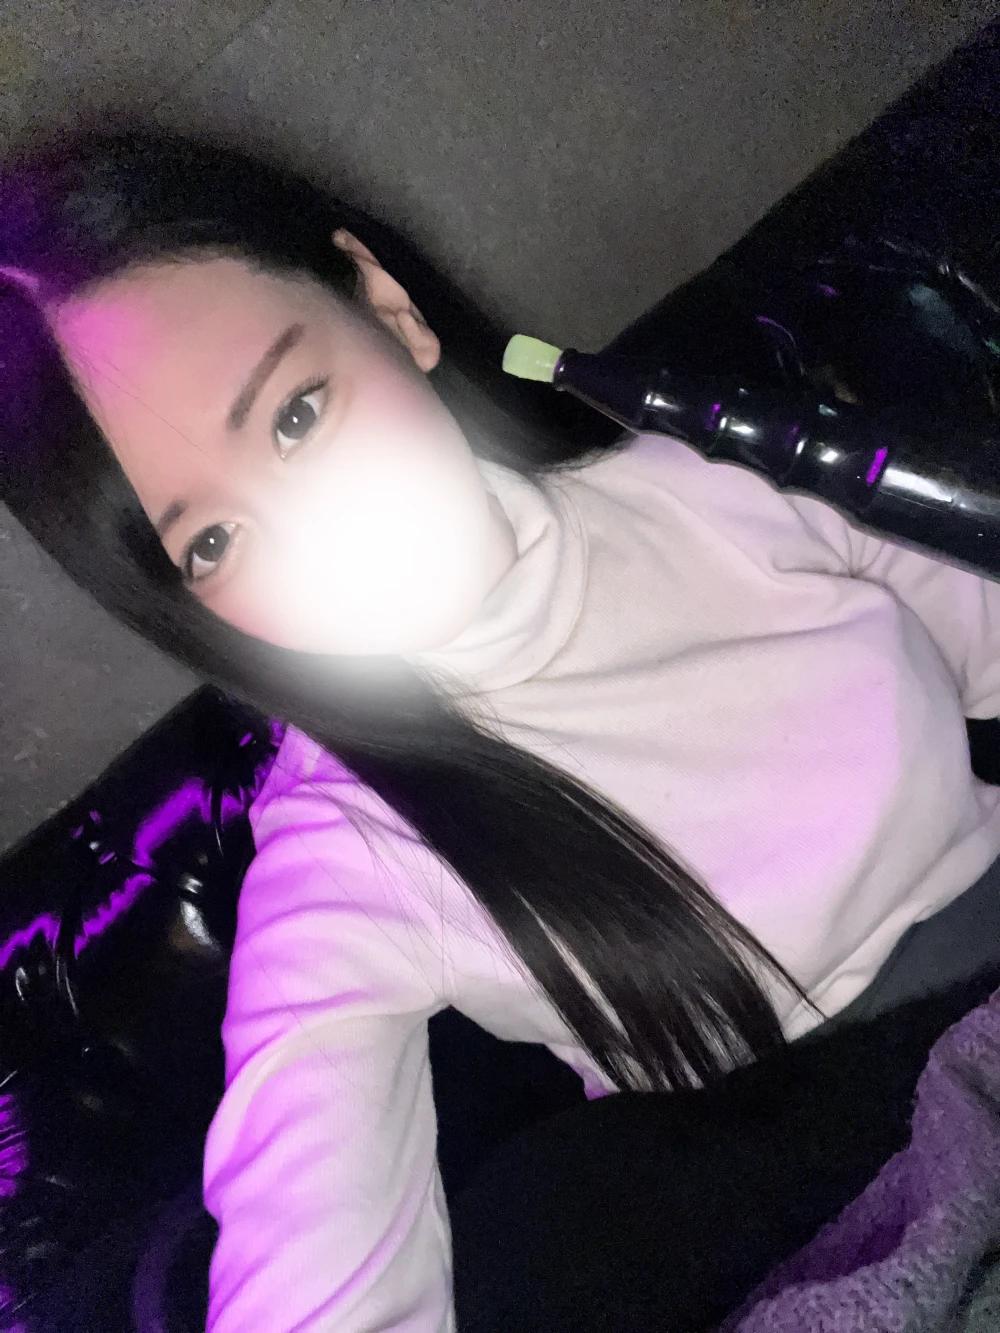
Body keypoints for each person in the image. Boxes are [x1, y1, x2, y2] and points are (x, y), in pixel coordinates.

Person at [2, 125, 1000, 1333]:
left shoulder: (714, 480)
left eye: (298, 414)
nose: (313, 534)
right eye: (212, 541)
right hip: (844, 1174)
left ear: (386, 307)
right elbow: (314, 1262)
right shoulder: (347, 854)